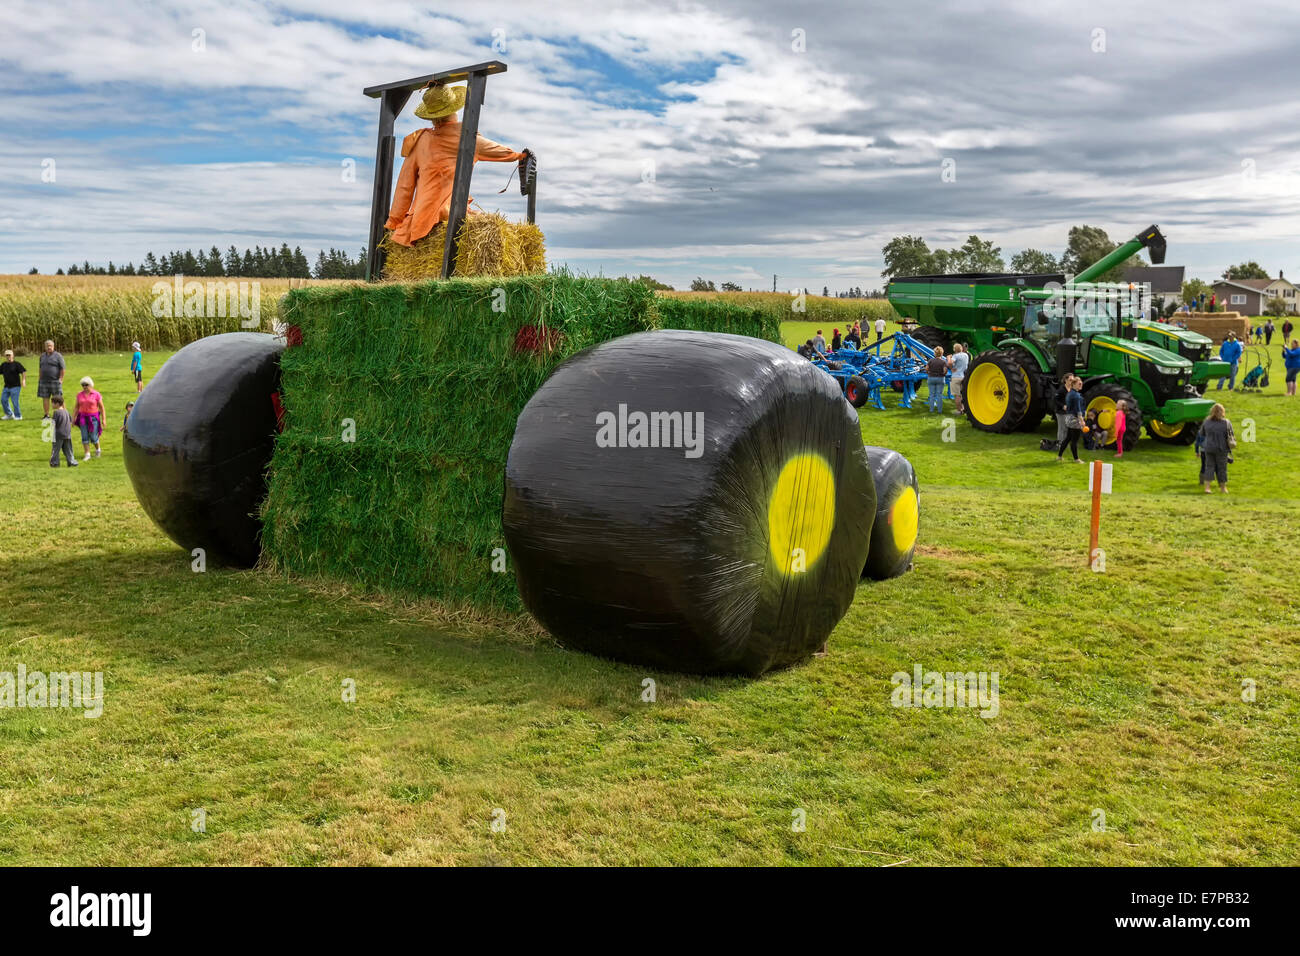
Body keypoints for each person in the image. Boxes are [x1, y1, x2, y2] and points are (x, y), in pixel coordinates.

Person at [384, 82, 529, 248]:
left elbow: (404, 186)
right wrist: (520, 156)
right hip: (448, 212)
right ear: (454, 109)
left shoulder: (420, 140)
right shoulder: (467, 138)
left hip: (420, 218)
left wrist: (394, 221)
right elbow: (500, 151)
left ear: (430, 115)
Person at [1199, 403, 1234, 494]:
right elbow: (1231, 435)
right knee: (1222, 468)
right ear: (1222, 412)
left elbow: (1202, 433)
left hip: (1209, 447)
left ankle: (1207, 488)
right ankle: (1223, 488)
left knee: (1209, 467)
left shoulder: (1206, 422)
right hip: (1221, 448)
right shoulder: (1226, 422)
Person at [73, 376, 105, 461]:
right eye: (83, 385)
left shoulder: (96, 394)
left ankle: (98, 449)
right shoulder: (79, 395)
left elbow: (102, 408)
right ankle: (87, 454)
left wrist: (103, 419)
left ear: (91, 385)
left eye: (86, 385)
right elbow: (76, 407)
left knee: (93, 437)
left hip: (93, 418)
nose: (84, 387)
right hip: (83, 417)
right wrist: (73, 418)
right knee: (84, 436)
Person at [1057, 376, 1085, 463]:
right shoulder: (1076, 395)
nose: (1080, 384)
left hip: (1068, 417)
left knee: (1068, 438)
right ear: (1073, 385)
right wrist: (1082, 421)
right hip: (1074, 419)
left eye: (1081, 383)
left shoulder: (1070, 393)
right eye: (1078, 383)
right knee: (1074, 440)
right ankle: (1076, 459)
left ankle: (1059, 456)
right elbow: (1078, 410)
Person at [38, 340, 65, 421]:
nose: (49, 347)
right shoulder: (42, 356)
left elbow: (63, 368)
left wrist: (61, 378)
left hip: (55, 381)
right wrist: (39, 378)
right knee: (45, 398)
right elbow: (40, 368)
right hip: (44, 381)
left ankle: (63, 414)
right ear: (45, 347)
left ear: (53, 346)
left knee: (58, 398)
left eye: (50, 346)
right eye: (47, 346)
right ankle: (46, 415)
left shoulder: (58, 356)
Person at [49, 395, 76, 468]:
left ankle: (54, 463)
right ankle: (72, 462)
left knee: (56, 449)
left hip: (58, 435)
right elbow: (70, 421)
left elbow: (53, 423)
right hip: (67, 434)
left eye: (52, 403)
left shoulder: (56, 412)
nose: (51, 404)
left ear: (57, 404)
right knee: (68, 449)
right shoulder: (66, 411)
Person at [1, 348, 25, 420]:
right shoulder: (3, 365)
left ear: (13, 355)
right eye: (7, 355)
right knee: (3, 400)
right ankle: (9, 414)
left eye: (9, 355)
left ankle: (18, 416)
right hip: (6, 387)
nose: (8, 357)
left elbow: (23, 371)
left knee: (15, 402)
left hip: (15, 386)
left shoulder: (16, 364)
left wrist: (23, 381)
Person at [947, 343, 969, 414]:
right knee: (963, 395)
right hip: (964, 376)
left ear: (954, 350)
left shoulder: (955, 356)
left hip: (956, 377)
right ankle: (964, 409)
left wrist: (948, 358)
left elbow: (949, 363)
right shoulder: (966, 355)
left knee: (957, 395)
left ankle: (959, 411)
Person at [925, 346, 947, 412]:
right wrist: (943, 374)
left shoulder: (930, 361)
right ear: (942, 353)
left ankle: (931, 410)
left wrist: (928, 372)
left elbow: (926, 368)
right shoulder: (943, 362)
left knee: (931, 394)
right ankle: (939, 410)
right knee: (939, 395)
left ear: (935, 353)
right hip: (940, 378)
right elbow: (945, 371)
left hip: (931, 378)